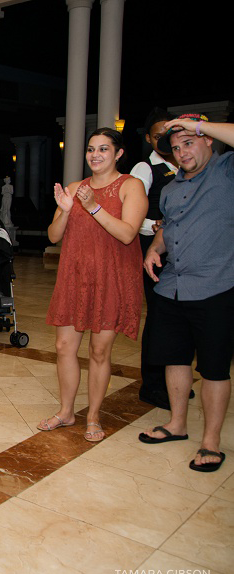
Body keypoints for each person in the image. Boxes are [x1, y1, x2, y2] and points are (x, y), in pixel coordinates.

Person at [138, 115, 234, 473]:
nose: (182, 153)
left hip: (216, 286)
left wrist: (197, 125)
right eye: (176, 148)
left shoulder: (226, 172)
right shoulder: (171, 188)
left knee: (213, 369)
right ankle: (177, 424)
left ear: (207, 140)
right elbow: (169, 226)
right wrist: (154, 249)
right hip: (172, 287)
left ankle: (210, 442)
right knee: (175, 359)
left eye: (188, 143)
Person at [39, 128, 147, 442]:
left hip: (112, 279)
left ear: (118, 154)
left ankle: (95, 416)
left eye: (103, 149)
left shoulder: (131, 186)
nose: (95, 155)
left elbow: (128, 234)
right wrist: (68, 210)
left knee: (99, 352)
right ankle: (66, 412)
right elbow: (54, 236)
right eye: (90, 149)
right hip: (75, 278)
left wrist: (93, 207)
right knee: (63, 348)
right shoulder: (75, 187)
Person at [130, 108, 179, 410]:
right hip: (152, 250)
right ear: (149, 138)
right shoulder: (145, 168)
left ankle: (173, 379)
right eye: (158, 135)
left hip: (182, 252)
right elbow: (132, 213)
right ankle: (152, 384)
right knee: (160, 316)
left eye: (168, 134)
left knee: (177, 317)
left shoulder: (185, 166)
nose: (164, 140)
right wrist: (155, 226)